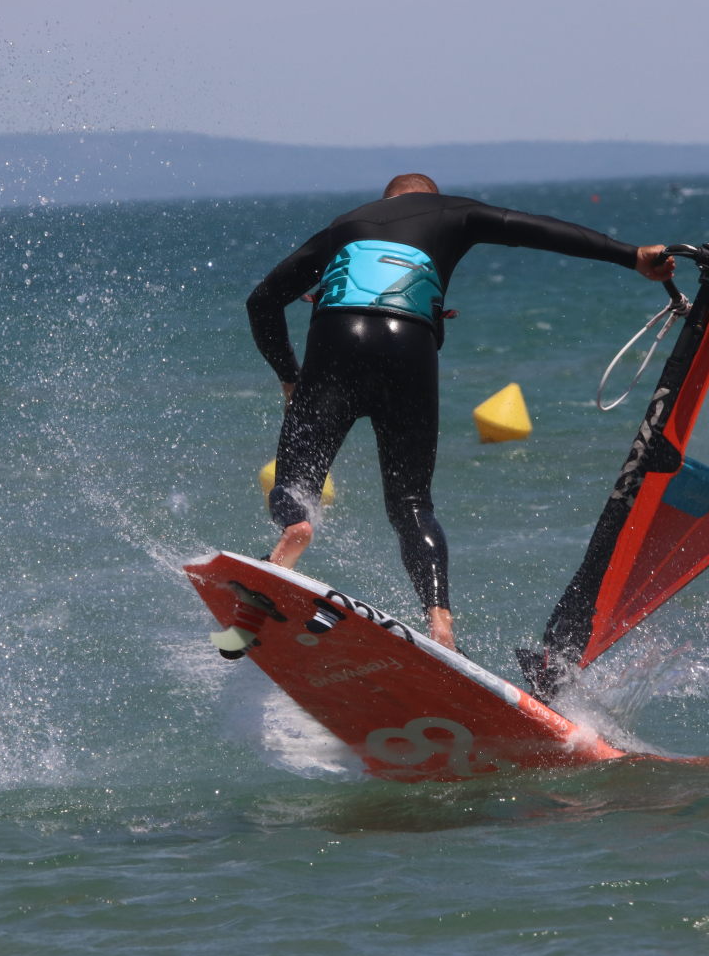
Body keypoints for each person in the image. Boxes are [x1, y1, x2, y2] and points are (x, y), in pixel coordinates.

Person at [246, 172, 674, 652]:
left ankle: (295, 527)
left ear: (386, 201)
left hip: (336, 339)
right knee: (411, 504)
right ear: (433, 199)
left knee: (296, 482)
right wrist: (632, 255)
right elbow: (538, 228)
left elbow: (261, 302)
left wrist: (289, 376)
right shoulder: (454, 211)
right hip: (408, 343)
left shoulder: (343, 226)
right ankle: (440, 622)